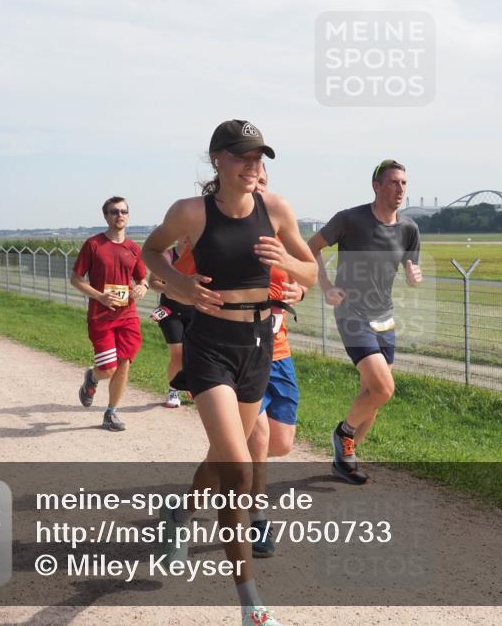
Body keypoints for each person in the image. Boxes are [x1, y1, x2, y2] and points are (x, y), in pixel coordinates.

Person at [142, 119, 316, 626]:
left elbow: (313, 274)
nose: (252, 165)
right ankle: (250, 603)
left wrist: (288, 261)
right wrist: (179, 285)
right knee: (238, 467)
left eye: (258, 156)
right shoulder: (191, 212)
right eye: (242, 156)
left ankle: (181, 514)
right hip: (211, 345)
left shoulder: (276, 209)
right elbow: (151, 252)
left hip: (259, 346)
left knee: (224, 458)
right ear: (217, 159)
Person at [307, 159, 422, 484]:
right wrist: (327, 287)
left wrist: (414, 276)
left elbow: (412, 275)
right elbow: (310, 248)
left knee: (371, 393)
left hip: (384, 317)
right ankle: (343, 433)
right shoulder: (350, 219)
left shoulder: (409, 229)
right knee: (384, 389)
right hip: (351, 313)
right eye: (393, 182)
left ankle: (346, 458)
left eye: (403, 183)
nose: (400, 189)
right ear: (376, 186)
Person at [246, 165, 305, 558]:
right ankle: (258, 518)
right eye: (255, 182)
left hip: (279, 352)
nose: (260, 187)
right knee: (259, 439)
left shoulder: (282, 234)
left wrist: (297, 289)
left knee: (280, 444)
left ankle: (185, 507)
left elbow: (304, 276)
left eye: (265, 181)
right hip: (242, 351)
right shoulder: (231, 235)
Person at [70, 196, 148, 432]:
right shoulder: (94, 245)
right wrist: (100, 296)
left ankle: (111, 413)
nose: (119, 215)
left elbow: (142, 278)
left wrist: (142, 286)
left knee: (124, 364)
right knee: (108, 368)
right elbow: (75, 279)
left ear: (128, 215)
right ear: (106, 216)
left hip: (128, 316)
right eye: (114, 212)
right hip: (101, 316)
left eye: (123, 211)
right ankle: (92, 378)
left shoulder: (133, 248)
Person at [147, 240, 196, 408]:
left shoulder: (201, 255)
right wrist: (168, 289)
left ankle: (190, 383)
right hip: (171, 312)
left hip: (195, 312)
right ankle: (173, 389)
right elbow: (153, 281)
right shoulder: (167, 255)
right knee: (177, 354)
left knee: (194, 354)